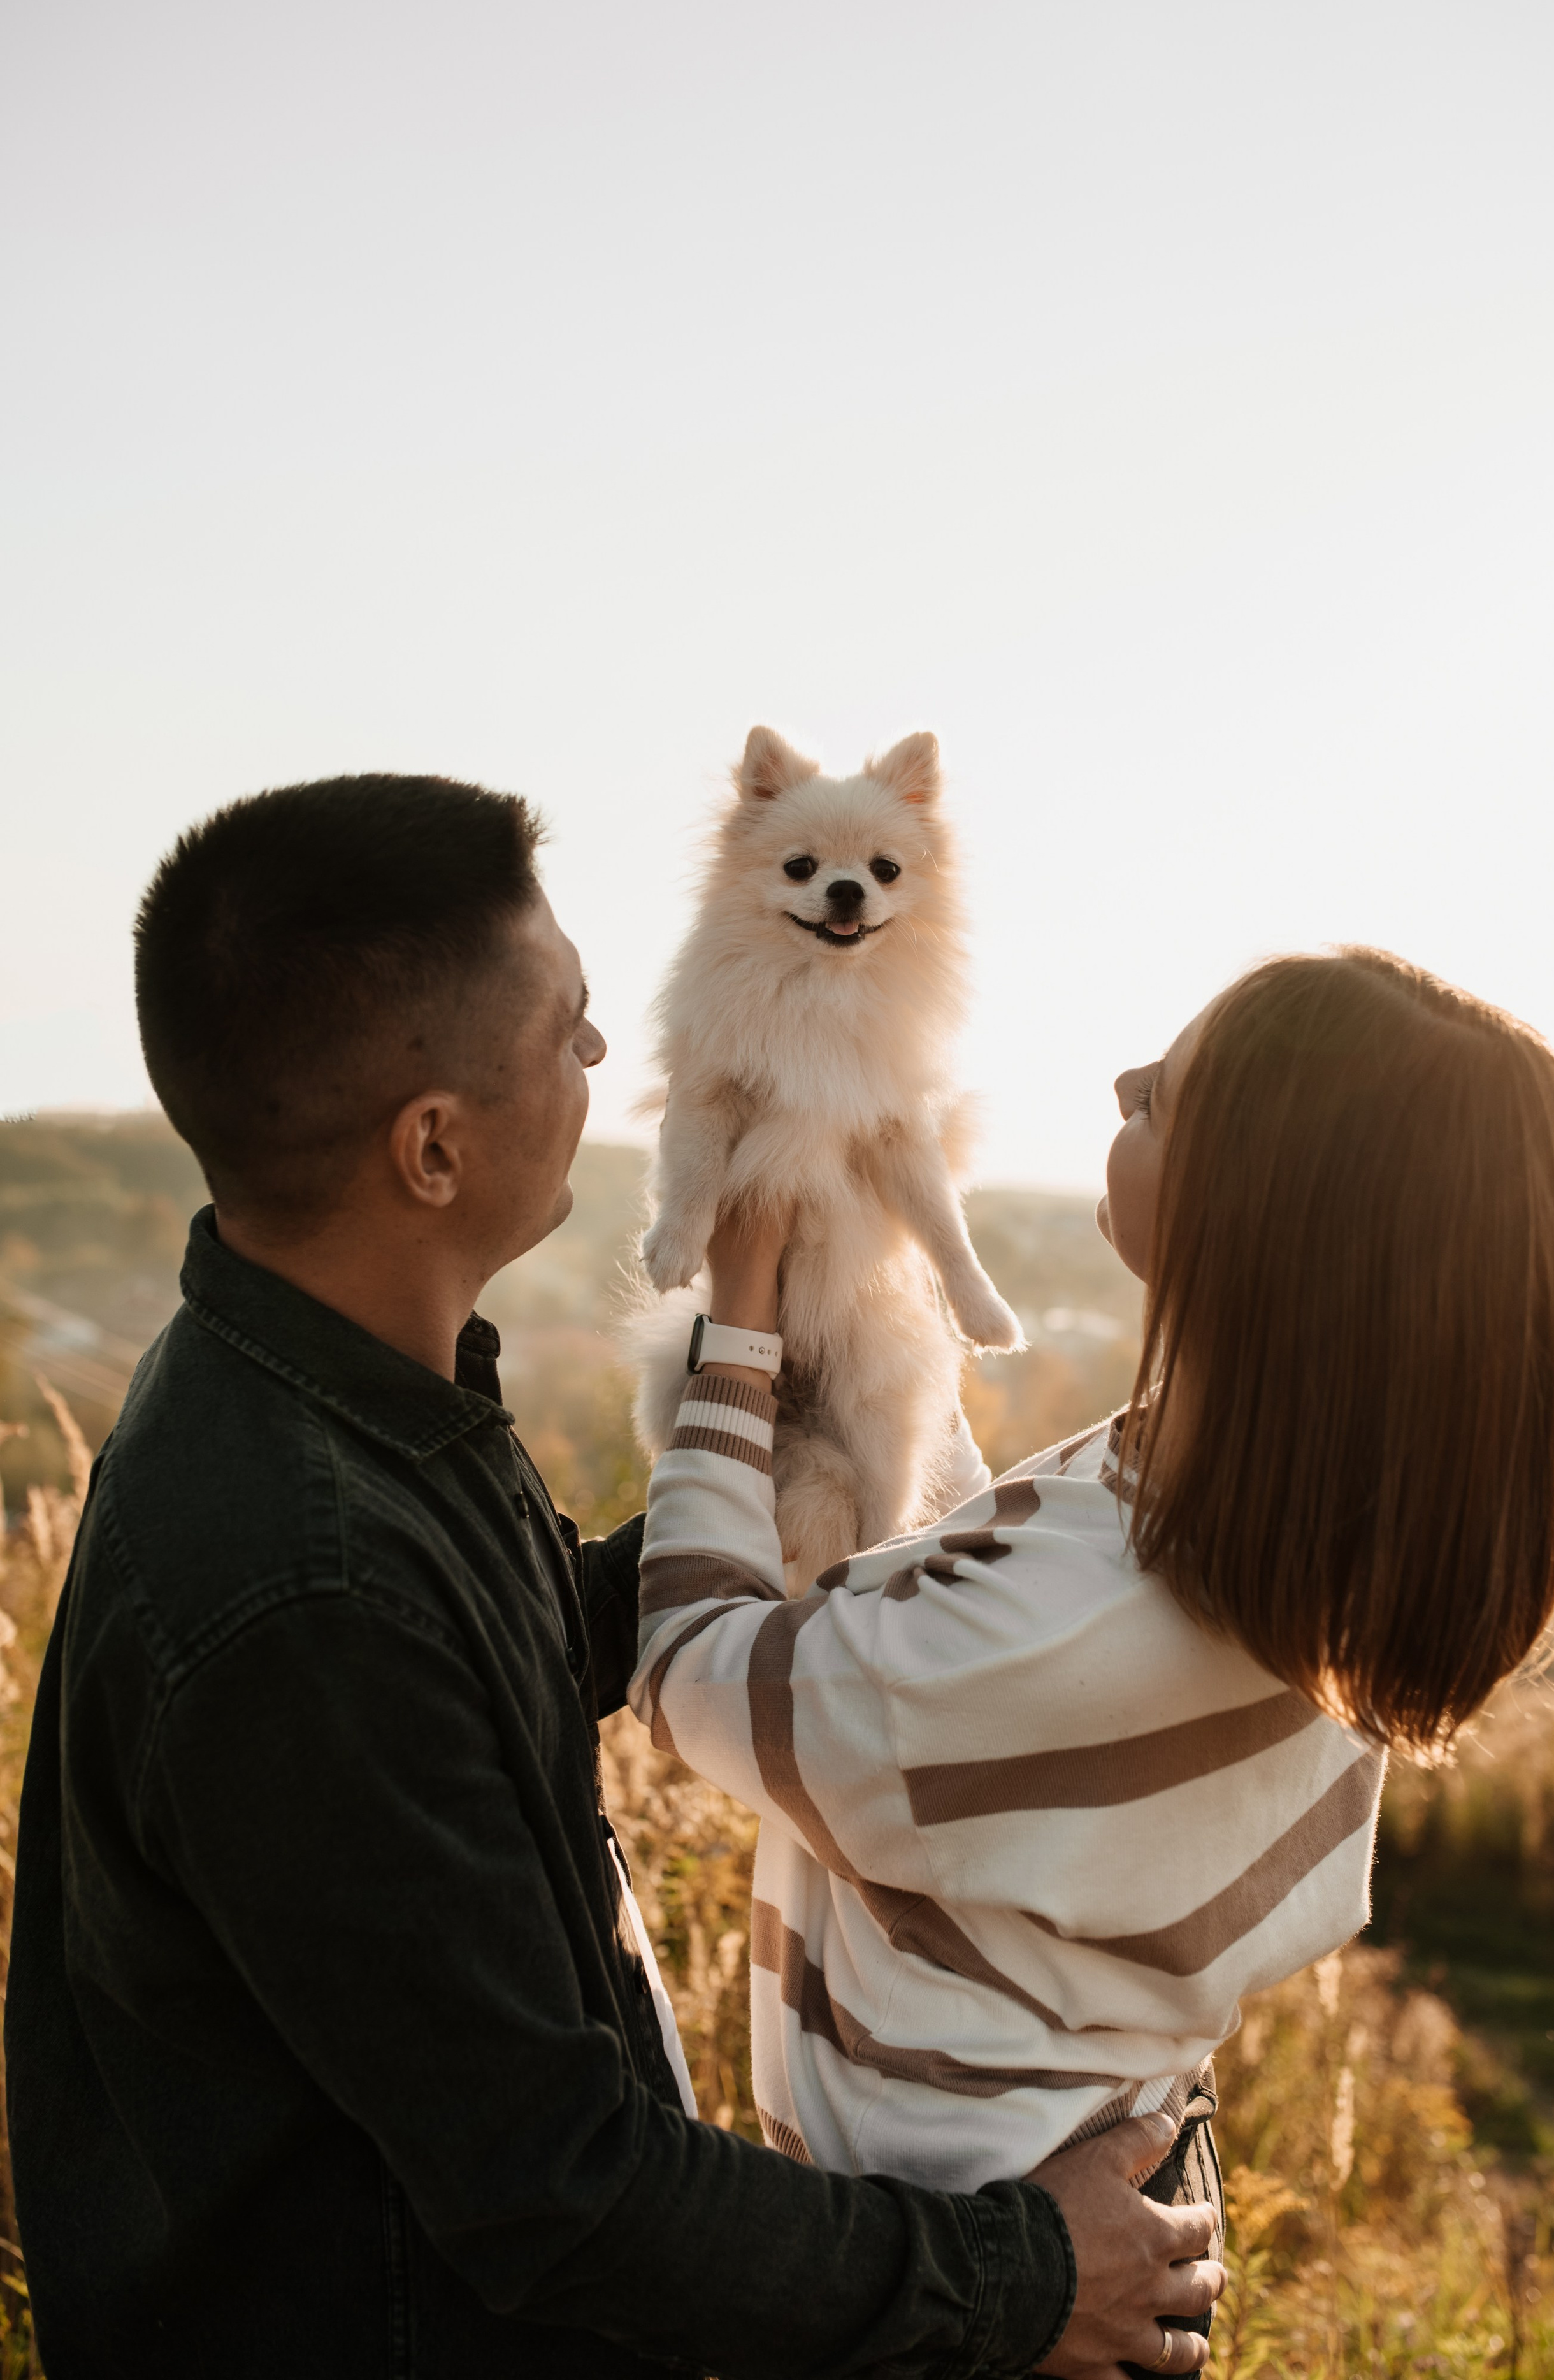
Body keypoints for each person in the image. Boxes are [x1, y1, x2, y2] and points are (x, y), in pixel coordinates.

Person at [4, 772, 1224, 2379]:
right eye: (565, 1033)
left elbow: (500, 1659)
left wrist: (818, 1473)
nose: (606, 1062)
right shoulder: (302, 1590)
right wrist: (1015, 2274)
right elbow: (559, 2188)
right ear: (432, 1147)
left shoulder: (347, 1399)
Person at [630, 949, 1554, 2378]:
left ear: (1261, 1214)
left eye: (1165, 1092)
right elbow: (950, 1567)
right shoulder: (1291, 1532)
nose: (1119, 1083)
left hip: (971, 2297)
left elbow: (696, 1670)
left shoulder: (1085, 1622)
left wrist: (744, 1320)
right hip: (1066, 2214)